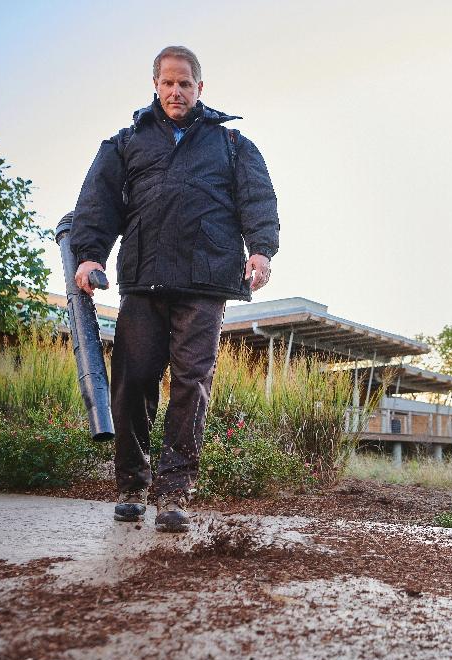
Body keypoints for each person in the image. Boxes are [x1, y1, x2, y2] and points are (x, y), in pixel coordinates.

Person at [70, 45, 279, 532]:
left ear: (199, 88)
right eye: (167, 82)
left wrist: (261, 249)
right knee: (132, 381)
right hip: (143, 280)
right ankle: (131, 482)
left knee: (192, 384)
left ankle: (174, 491)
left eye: (185, 83)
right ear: (155, 86)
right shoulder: (126, 144)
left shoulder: (231, 146)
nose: (176, 90)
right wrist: (89, 254)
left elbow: (257, 199)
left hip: (206, 282)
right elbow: (97, 203)